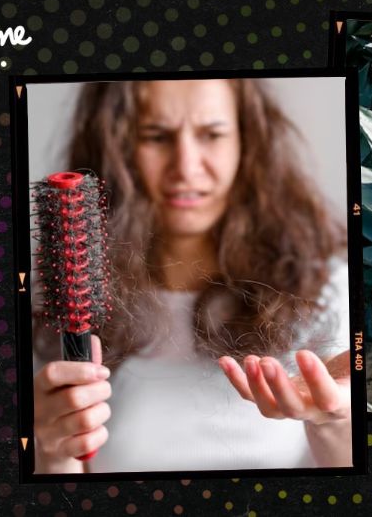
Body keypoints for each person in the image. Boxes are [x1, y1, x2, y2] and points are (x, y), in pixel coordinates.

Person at [31, 78, 352, 473]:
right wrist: (53, 452)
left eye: (212, 134)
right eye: (157, 136)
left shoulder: (328, 290)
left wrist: (336, 422)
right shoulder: (58, 303)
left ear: (246, 141)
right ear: (116, 145)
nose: (185, 166)